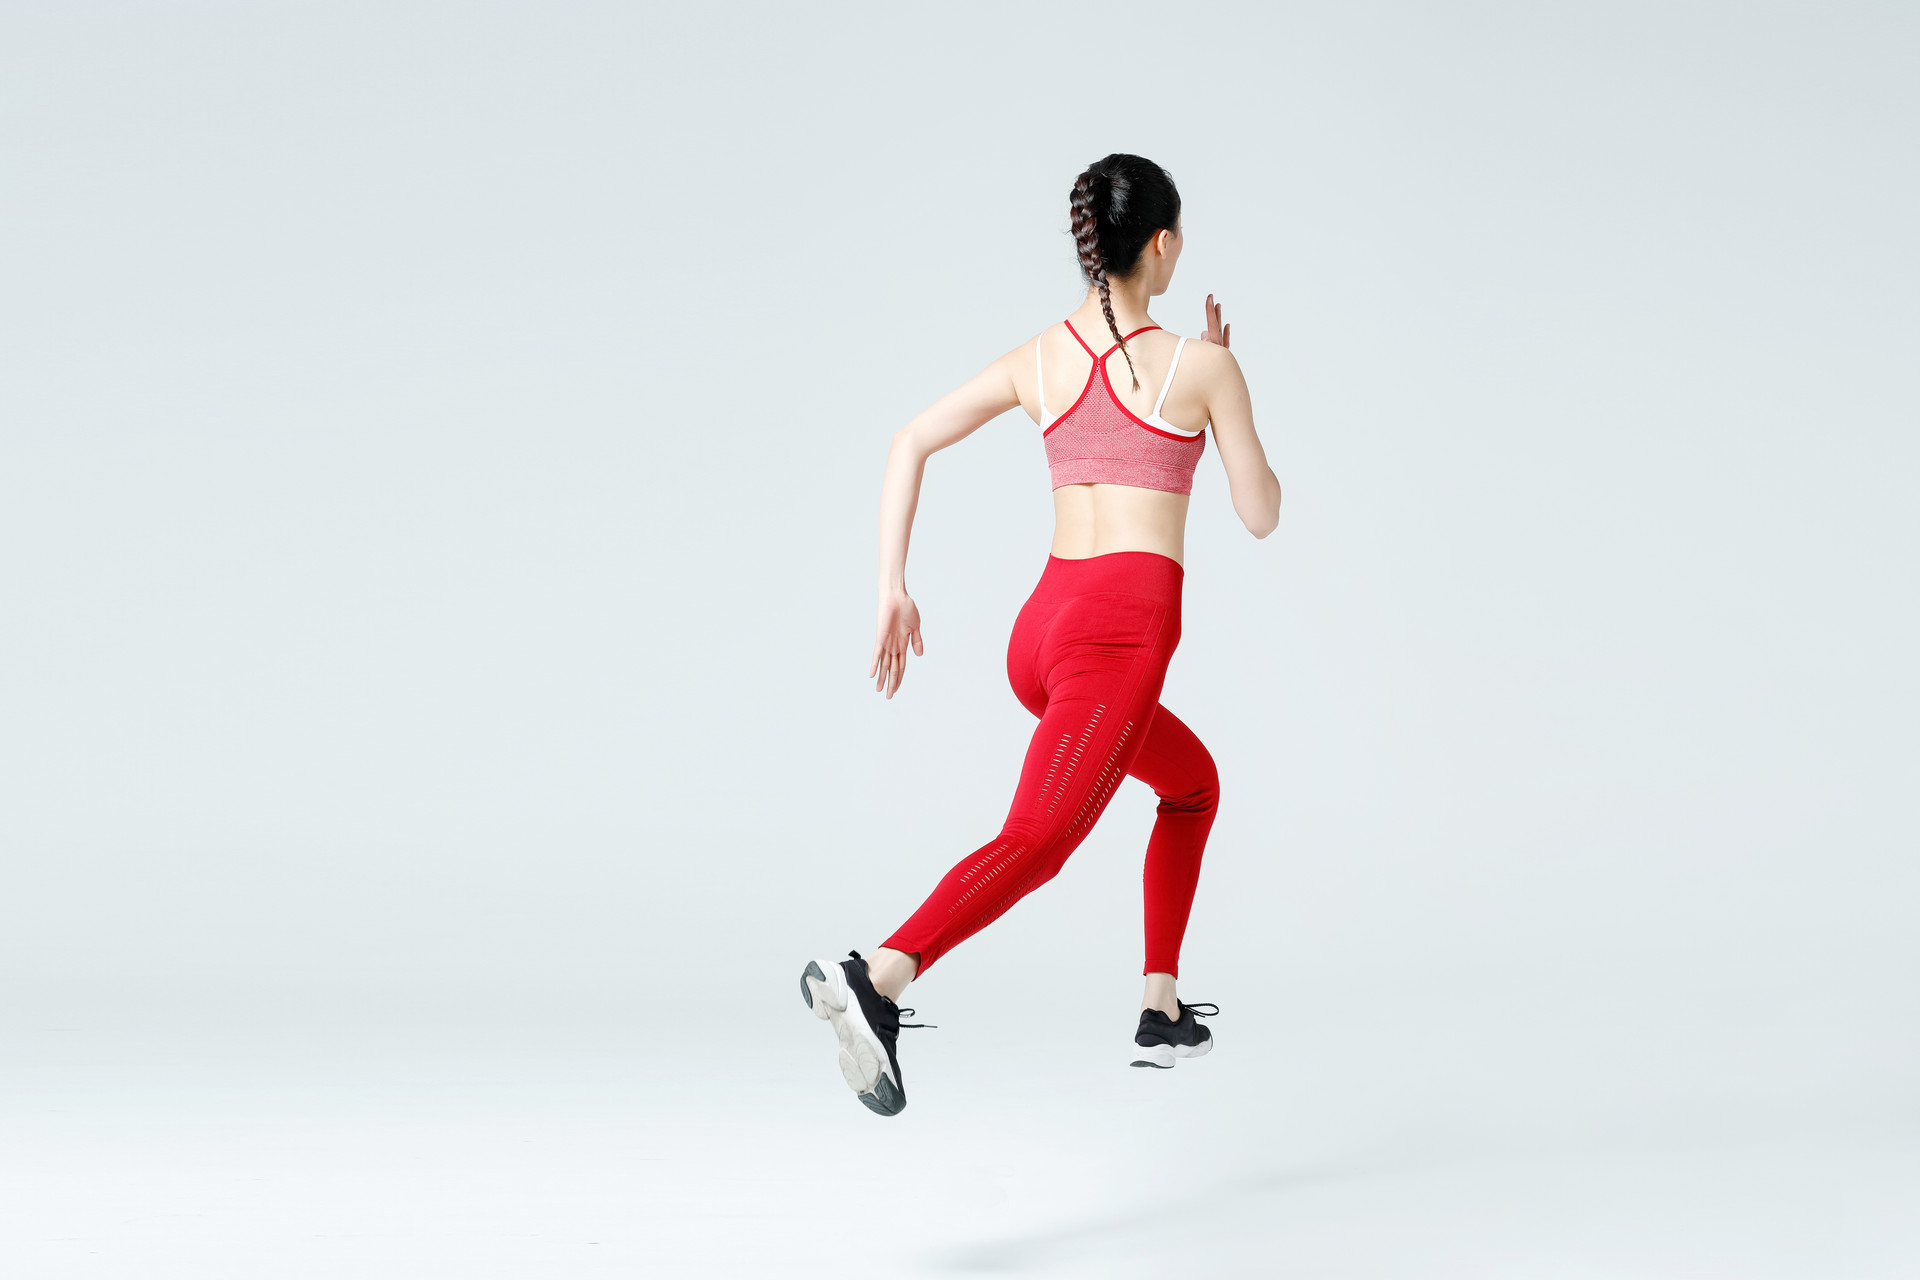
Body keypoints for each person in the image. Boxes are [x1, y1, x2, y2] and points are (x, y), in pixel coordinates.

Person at [800, 154, 1281, 1116]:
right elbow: (1261, 513)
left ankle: (1159, 1005)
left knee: (1192, 786)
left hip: (1043, 637)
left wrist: (893, 586)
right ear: (1163, 244)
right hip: (1117, 643)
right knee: (1039, 841)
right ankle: (878, 976)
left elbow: (909, 439)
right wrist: (1230, 385)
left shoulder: (1040, 356)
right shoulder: (1203, 366)